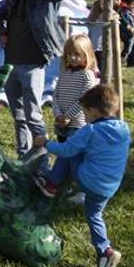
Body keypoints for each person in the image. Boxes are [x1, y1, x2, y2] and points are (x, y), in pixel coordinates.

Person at [33, 84, 129, 267]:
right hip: (110, 185)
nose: (84, 116)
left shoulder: (89, 131)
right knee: (94, 215)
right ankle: (105, 252)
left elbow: (65, 150)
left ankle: (51, 184)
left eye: (85, 112)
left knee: (69, 151)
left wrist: (46, 143)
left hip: (89, 180)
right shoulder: (124, 128)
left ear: (93, 111)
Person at [0, 0, 67, 160]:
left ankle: (41, 162)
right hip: (11, 63)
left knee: (33, 115)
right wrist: (1, 32)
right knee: (18, 116)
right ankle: (23, 158)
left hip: (33, 63)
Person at [51, 34, 98, 202]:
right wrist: (58, 114)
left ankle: (82, 189)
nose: (72, 58)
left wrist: (68, 117)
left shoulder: (87, 76)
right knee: (66, 154)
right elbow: (55, 95)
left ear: (87, 55)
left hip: (77, 125)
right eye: (69, 54)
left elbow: (83, 100)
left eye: (77, 54)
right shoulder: (64, 74)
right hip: (61, 124)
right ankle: (65, 184)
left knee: (74, 158)